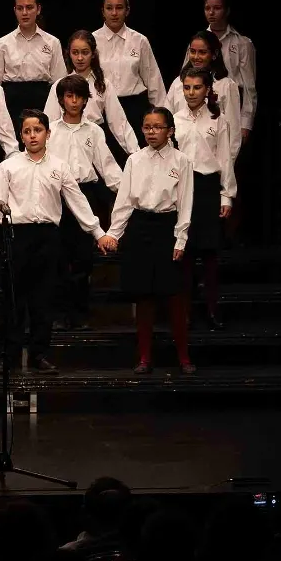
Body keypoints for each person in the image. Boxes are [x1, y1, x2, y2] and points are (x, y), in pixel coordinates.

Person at [0, 110, 117, 374]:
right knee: (13, 299)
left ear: (48, 134)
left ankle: (39, 354)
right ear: (21, 136)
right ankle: (9, 355)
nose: (32, 136)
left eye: (37, 130)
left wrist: (98, 232)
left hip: (48, 237)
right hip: (17, 236)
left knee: (44, 298)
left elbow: (77, 201)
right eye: (27, 131)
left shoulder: (59, 166)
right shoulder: (9, 166)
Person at [105, 107, 196, 374]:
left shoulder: (182, 161)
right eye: (147, 127)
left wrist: (180, 239)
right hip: (141, 227)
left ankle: (184, 357)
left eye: (157, 127)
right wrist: (114, 233)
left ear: (170, 131)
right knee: (144, 295)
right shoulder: (135, 160)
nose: (152, 132)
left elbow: (185, 203)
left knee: (174, 296)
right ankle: (144, 358)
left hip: (167, 227)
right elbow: (124, 201)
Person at [47, 75, 124, 332]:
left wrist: (128, 193)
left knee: (82, 258)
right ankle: (58, 314)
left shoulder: (94, 131)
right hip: (56, 196)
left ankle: (79, 314)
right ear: (61, 100)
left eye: (78, 96)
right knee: (57, 258)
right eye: (69, 96)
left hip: (86, 192)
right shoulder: (51, 131)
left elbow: (108, 167)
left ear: (85, 100)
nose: (73, 101)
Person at [171, 67, 236, 331]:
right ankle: (183, 312)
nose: (191, 92)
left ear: (207, 89)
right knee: (184, 253)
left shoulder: (217, 119)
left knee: (209, 254)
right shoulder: (175, 119)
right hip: (181, 187)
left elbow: (225, 158)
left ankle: (212, 309)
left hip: (208, 187)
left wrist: (226, 195)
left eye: (197, 87)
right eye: (187, 87)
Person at [43, 30, 140, 164]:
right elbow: (49, 121)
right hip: (66, 142)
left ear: (93, 54)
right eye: (75, 53)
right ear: (69, 54)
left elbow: (119, 122)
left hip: (94, 140)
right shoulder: (60, 85)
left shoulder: (103, 84)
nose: (80, 58)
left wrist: (135, 153)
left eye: (85, 52)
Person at [0, 0, 68, 129]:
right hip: (11, 105)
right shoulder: (3, 43)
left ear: (38, 9)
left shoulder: (52, 42)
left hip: (44, 103)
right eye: (20, 8)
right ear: (15, 11)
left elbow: (60, 82)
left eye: (29, 7)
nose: (25, 13)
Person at [94, 0, 164, 142]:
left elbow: (153, 80)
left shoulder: (140, 40)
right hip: (104, 109)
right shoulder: (93, 41)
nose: (114, 13)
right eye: (109, 8)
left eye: (119, 7)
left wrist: (161, 115)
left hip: (134, 108)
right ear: (102, 11)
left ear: (127, 10)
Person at [165, 30, 243, 158]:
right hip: (179, 159)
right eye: (193, 51)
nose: (196, 57)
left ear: (214, 54)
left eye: (202, 52)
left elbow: (233, 132)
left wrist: (227, 164)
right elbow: (166, 119)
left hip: (211, 162)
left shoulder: (226, 86)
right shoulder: (178, 82)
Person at [203, 0, 256, 146]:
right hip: (202, 103)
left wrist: (246, 123)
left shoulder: (242, 43)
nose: (211, 12)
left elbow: (249, 87)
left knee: (229, 151)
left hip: (232, 106)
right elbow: (186, 75)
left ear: (227, 11)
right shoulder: (198, 41)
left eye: (217, 8)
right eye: (207, 8)